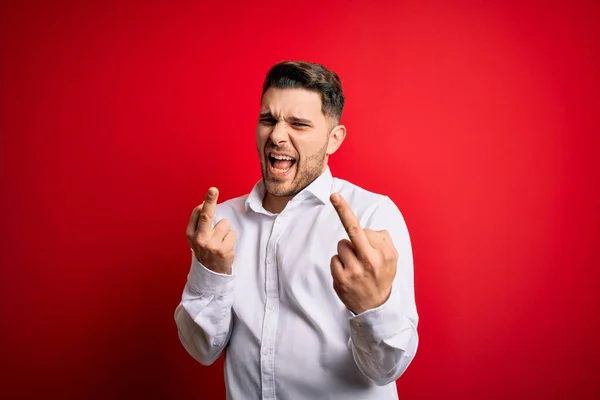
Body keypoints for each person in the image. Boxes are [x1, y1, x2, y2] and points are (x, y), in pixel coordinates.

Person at [174, 60, 419, 400]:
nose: (276, 135)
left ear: (334, 139)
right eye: (268, 120)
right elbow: (202, 350)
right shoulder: (222, 223)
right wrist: (209, 273)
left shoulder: (373, 217)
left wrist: (372, 307)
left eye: (298, 124)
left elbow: (386, 370)